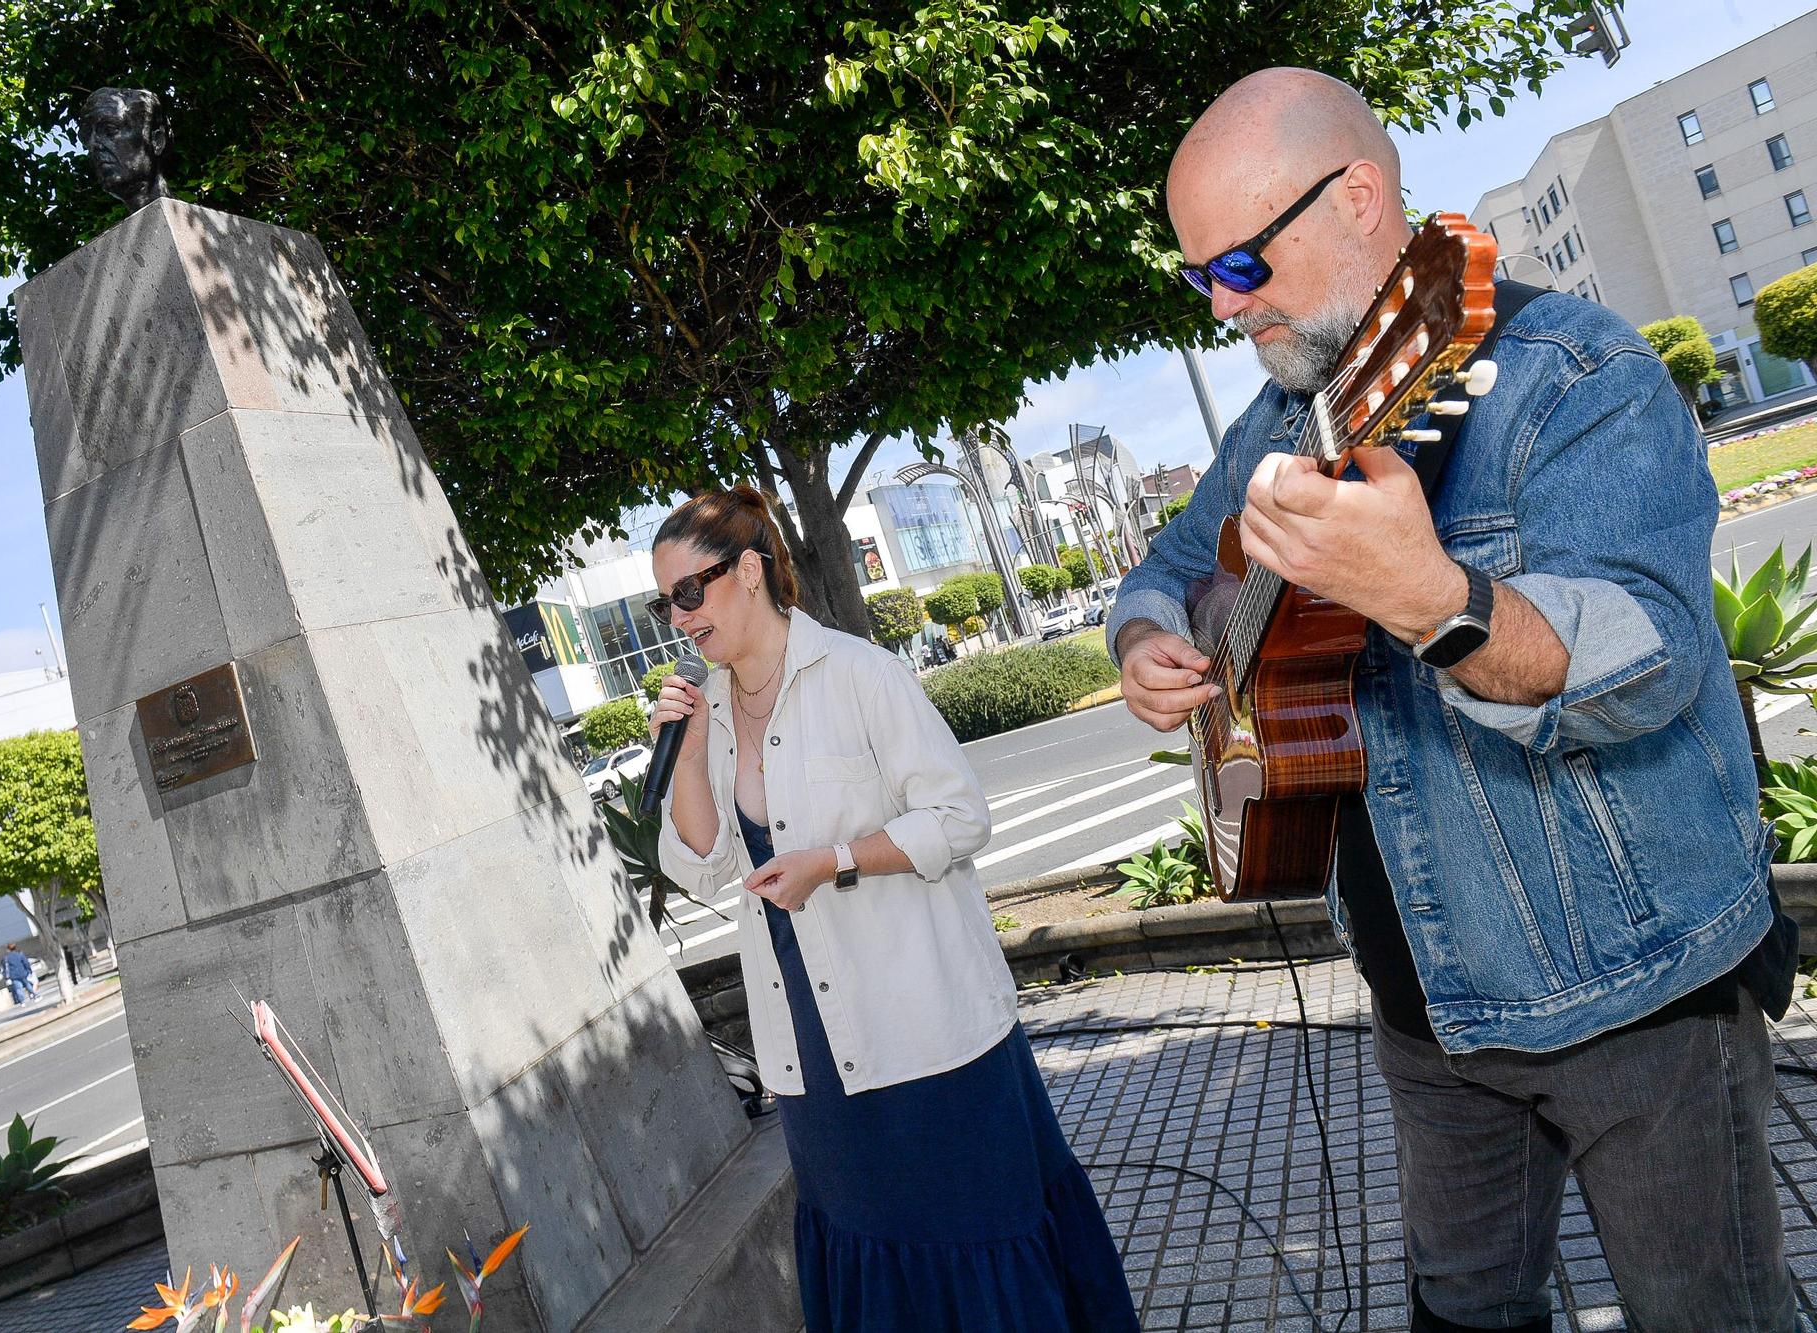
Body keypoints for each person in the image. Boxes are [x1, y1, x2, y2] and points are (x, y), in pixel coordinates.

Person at [1109, 67, 1799, 1332]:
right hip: (1422, 1000)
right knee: (1459, 1311)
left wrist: (1435, 598)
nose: (1217, 305)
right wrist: (1151, 635)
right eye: (1195, 275)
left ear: (1358, 198)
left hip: (1632, 996)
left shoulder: (1575, 376)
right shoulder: (1270, 420)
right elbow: (1167, 566)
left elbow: (1646, 661)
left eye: (1240, 267)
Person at [651, 486, 1135, 1333]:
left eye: (690, 590)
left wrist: (836, 861)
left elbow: (958, 817)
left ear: (752, 571)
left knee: (974, 1241)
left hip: (925, 1023)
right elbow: (704, 866)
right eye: (663, 602)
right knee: (866, 1246)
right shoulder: (714, 712)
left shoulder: (860, 674)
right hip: (808, 1039)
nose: (678, 616)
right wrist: (688, 751)